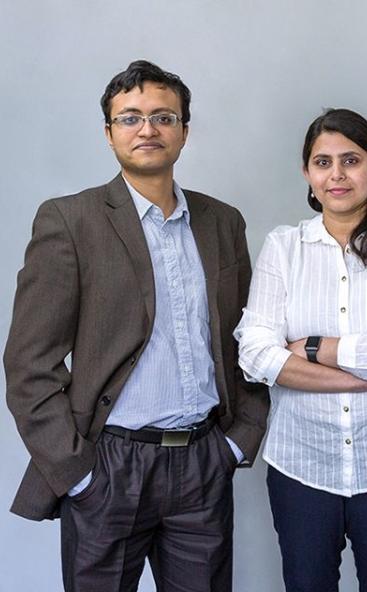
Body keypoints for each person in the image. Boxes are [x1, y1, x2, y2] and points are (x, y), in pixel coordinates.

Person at [3, 60, 268, 591]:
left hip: (203, 462)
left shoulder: (222, 222)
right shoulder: (70, 221)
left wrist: (238, 440)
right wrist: (78, 474)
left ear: (184, 131)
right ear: (109, 133)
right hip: (109, 467)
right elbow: (29, 363)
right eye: (130, 118)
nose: (147, 129)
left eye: (163, 117)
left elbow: (248, 340)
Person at [234, 108, 367, 591]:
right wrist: (363, 375)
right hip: (301, 466)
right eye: (323, 162)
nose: (337, 175)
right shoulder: (284, 247)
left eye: (351, 160)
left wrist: (311, 347)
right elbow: (255, 354)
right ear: (307, 173)